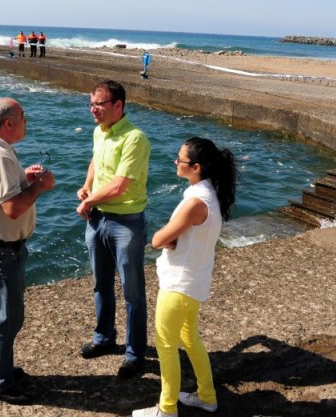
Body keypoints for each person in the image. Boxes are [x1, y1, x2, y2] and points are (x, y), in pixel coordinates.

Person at [132, 137, 237, 417]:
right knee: (189, 338)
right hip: (194, 281)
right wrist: (173, 237)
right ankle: (207, 396)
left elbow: (157, 239)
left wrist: (166, 236)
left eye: (181, 160)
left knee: (166, 345)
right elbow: (181, 235)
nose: (176, 162)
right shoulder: (210, 194)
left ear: (197, 167)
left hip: (178, 284)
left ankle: (166, 409)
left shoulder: (195, 202)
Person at [0, 97, 55, 405]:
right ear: (8, 124)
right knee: (9, 317)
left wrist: (23, 179)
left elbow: (2, 191)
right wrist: (39, 186)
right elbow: (13, 208)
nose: (26, 121)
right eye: (23, 117)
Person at [76, 80, 151, 379]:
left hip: (126, 223)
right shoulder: (100, 131)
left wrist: (88, 201)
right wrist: (86, 186)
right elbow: (97, 159)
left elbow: (121, 185)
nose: (93, 109)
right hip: (98, 219)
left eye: (99, 104)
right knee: (100, 284)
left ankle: (135, 354)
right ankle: (104, 337)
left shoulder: (135, 138)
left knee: (132, 292)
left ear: (118, 105)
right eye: (92, 103)